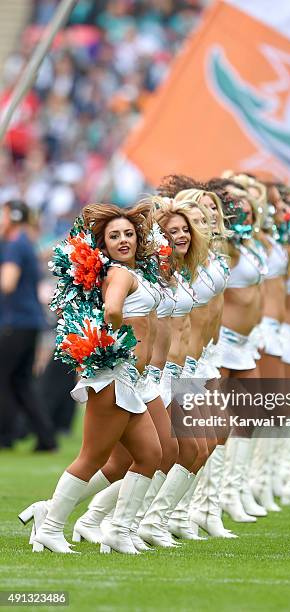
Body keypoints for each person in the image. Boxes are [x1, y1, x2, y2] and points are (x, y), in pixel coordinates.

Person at [24, 203, 163, 554]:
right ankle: (50, 526)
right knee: (92, 457)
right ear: (102, 244)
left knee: (149, 454)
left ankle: (118, 529)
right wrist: (117, 341)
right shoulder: (119, 274)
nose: (123, 240)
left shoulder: (136, 272)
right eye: (114, 236)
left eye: (128, 234)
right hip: (112, 375)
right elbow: (112, 309)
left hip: (127, 378)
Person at [0, 199, 56, 451]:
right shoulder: (26, 243)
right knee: (22, 381)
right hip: (30, 321)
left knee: (4, 379)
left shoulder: (13, 245)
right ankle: (46, 437)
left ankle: (5, 435)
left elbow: (8, 283)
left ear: (11, 219)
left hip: (15, 321)